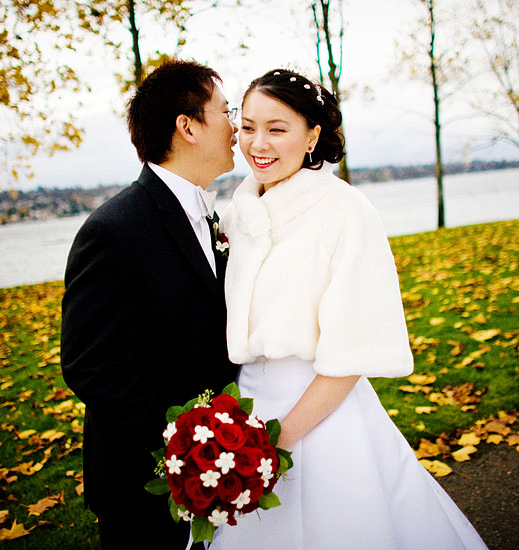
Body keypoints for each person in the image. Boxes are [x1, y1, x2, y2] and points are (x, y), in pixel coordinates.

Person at [209, 69, 488, 549]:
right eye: (249, 126)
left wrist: (272, 446)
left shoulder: (346, 212)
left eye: (278, 129)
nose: (258, 143)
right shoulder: (236, 214)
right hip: (244, 413)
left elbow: (350, 355)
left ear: (313, 135)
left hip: (324, 417)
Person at [61, 59, 240, 550]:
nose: (237, 124)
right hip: (143, 484)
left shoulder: (211, 215)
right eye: (226, 111)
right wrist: (190, 441)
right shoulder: (113, 230)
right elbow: (90, 366)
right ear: (187, 127)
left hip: (220, 473)